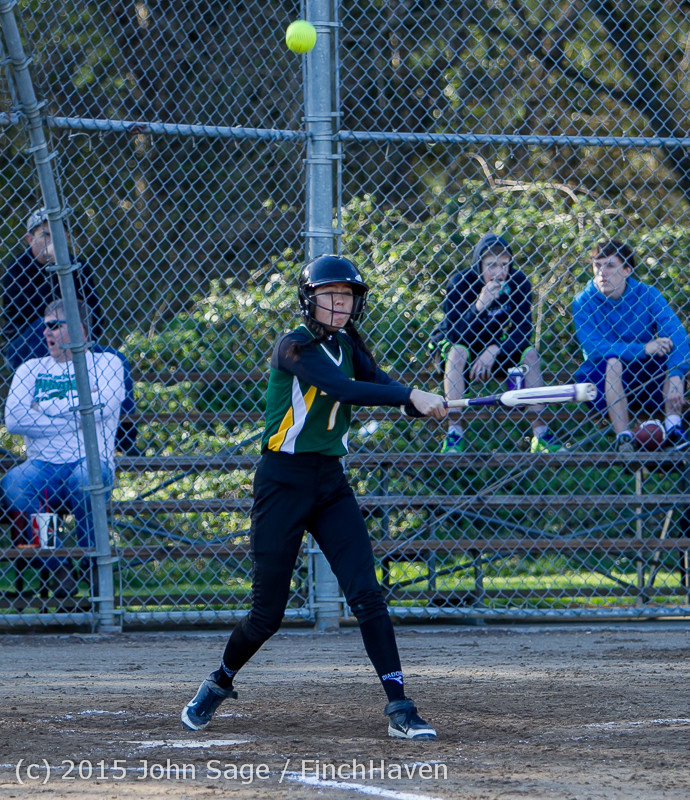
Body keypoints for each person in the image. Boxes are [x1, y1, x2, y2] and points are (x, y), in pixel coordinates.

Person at [180, 255, 447, 740]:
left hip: (330, 483)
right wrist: (410, 395)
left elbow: (378, 384)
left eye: (346, 296)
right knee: (267, 616)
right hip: (282, 482)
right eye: (330, 295)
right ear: (310, 300)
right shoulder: (294, 345)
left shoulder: (349, 343)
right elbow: (344, 390)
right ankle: (220, 681)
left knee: (367, 594)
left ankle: (400, 707)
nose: (340, 304)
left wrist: (414, 402)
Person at [1, 300, 125, 597]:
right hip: (42, 467)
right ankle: (59, 568)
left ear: (79, 329)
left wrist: (42, 407)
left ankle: (96, 570)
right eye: (45, 325)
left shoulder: (108, 363)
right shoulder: (31, 368)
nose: (46, 332)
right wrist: (79, 412)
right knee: (13, 485)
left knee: (86, 482)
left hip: (90, 462)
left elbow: (103, 407)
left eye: (54, 325)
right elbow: (15, 420)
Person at [2, 207, 138, 453]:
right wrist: (56, 270)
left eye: (58, 234)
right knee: (51, 323)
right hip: (28, 342)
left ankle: (124, 441)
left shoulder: (79, 267)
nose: (52, 241)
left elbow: (94, 315)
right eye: (45, 235)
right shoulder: (17, 270)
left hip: (75, 341)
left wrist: (65, 268)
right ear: (30, 239)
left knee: (117, 359)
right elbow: (31, 314)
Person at [430, 232, 563, 454]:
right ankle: (454, 432)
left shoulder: (518, 282)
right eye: (491, 265)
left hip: (496, 346)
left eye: (504, 264)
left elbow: (523, 330)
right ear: (479, 265)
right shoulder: (461, 282)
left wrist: (495, 349)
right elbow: (454, 332)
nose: (499, 272)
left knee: (530, 354)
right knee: (457, 353)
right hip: (461, 343)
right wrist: (480, 306)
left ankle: (541, 433)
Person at [572, 239, 689, 453]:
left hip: (643, 378)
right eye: (597, 265)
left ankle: (674, 430)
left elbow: (678, 335)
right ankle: (623, 438)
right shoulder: (582, 301)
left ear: (627, 270)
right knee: (614, 361)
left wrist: (675, 374)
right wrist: (642, 349)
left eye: (610, 265)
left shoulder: (648, 294)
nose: (602, 272)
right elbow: (595, 348)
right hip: (601, 379)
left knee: (668, 351)